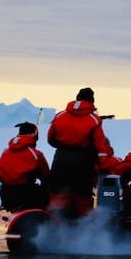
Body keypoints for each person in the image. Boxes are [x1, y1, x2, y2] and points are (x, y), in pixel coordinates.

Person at [46, 87, 112, 218]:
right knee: (82, 196)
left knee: (59, 193)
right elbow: (101, 145)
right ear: (92, 101)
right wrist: (103, 165)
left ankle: (54, 224)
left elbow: (50, 138)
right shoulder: (94, 119)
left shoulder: (60, 116)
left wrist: (63, 147)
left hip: (61, 159)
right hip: (83, 161)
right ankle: (83, 228)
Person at [0, 122, 51, 211]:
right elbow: (47, 176)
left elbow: (0, 174)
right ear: (34, 135)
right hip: (26, 197)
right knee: (48, 190)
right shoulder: (36, 154)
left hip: (5, 196)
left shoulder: (6, 152)